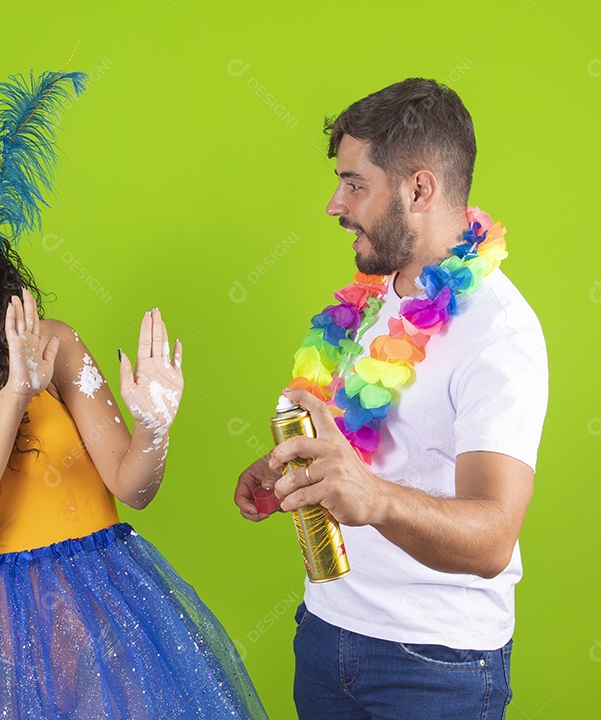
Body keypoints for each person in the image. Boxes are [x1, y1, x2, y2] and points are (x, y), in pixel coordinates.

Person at [0, 205, 266, 718]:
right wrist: (14, 394)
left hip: (111, 610)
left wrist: (153, 429)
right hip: (7, 639)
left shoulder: (55, 345)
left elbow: (132, 487)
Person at [235, 78, 548, 719]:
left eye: (355, 184)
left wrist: (372, 498)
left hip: (435, 663)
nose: (334, 204)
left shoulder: (500, 332)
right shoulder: (374, 300)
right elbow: (371, 450)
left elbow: (492, 537)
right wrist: (292, 473)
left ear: (418, 189)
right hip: (327, 630)